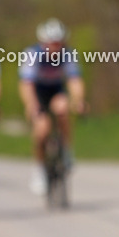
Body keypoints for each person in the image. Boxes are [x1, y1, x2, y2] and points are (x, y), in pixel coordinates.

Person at [18, 18, 84, 195]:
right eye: (52, 43)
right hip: (37, 92)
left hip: (56, 90)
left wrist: (78, 100)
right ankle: (39, 170)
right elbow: (26, 84)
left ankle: (67, 152)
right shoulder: (33, 54)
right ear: (43, 42)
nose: (55, 47)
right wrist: (31, 105)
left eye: (59, 43)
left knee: (63, 109)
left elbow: (74, 80)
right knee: (41, 130)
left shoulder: (68, 54)